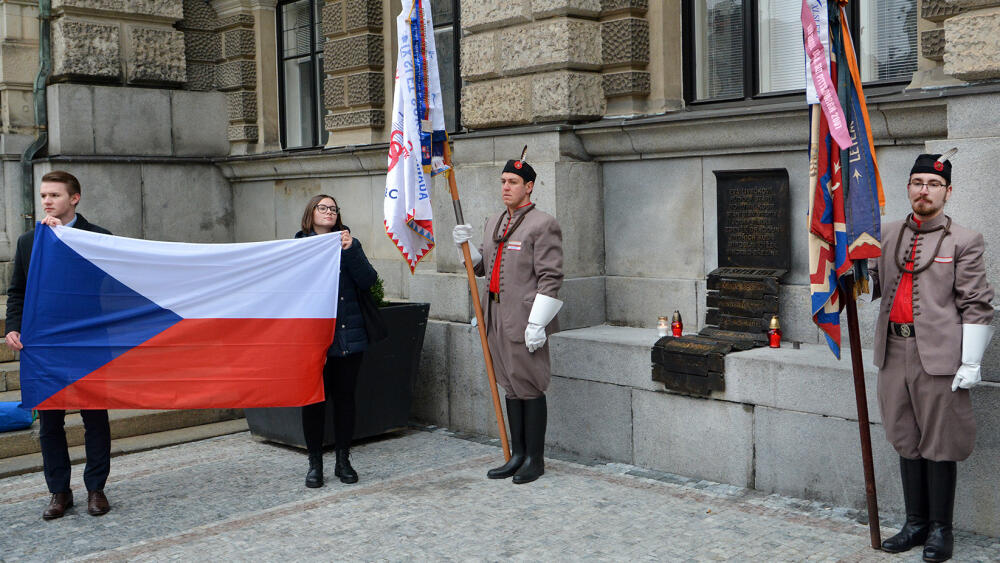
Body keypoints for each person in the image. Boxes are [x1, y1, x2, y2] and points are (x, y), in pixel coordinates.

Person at [871, 152, 994, 562]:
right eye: (918, 182)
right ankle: (915, 523)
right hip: (893, 351)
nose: (924, 190)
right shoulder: (885, 235)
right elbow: (864, 284)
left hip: (941, 358)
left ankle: (941, 529)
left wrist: (972, 361)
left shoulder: (965, 239)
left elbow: (977, 303)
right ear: (908, 187)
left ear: (947, 191)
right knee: (905, 438)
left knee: (940, 443)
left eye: (934, 184)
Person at [5, 170, 113, 519]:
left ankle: (96, 489)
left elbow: (105, 286)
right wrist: (13, 328)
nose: (47, 201)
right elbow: (17, 291)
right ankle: (59, 493)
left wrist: (64, 245)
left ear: (74, 198)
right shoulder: (28, 242)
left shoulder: (99, 238)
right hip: (43, 346)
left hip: (88, 344)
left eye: (54, 195)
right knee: (49, 424)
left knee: (95, 418)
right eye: (44, 196)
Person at [452, 149, 563, 484]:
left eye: (513, 182)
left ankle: (535, 459)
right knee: (511, 386)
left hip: (524, 317)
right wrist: (466, 247)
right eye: (503, 181)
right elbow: (482, 266)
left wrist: (538, 323)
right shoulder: (494, 222)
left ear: (529, 186)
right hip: (495, 314)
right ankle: (517, 454)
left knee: (529, 386)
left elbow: (551, 277)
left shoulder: (542, 224)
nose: (506, 187)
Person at [296, 194, 378, 488]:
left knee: (345, 401)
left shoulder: (348, 243)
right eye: (323, 207)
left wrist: (352, 250)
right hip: (314, 340)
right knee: (314, 402)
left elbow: (369, 281)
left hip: (348, 336)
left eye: (333, 208)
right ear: (311, 213)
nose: (329, 212)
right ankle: (314, 463)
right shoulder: (298, 246)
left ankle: (343, 460)